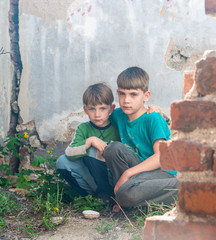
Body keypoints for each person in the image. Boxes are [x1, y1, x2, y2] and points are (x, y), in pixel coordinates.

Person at [103, 66, 179, 209]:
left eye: (133, 94)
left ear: (146, 96)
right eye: (122, 94)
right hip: (138, 173)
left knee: (127, 193)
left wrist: (127, 173)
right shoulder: (118, 115)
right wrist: (90, 140)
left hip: (161, 173)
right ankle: (125, 196)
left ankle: (179, 189)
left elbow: (160, 157)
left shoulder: (153, 118)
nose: (126, 100)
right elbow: (99, 121)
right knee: (112, 149)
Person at [56, 83, 120, 202]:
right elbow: (69, 152)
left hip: (115, 177)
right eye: (92, 109)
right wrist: (90, 140)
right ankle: (92, 199)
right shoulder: (84, 128)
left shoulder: (118, 125)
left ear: (111, 109)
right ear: (85, 110)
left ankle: (110, 197)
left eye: (102, 108)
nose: (97, 114)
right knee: (62, 161)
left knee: (93, 150)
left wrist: (152, 110)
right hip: (94, 177)